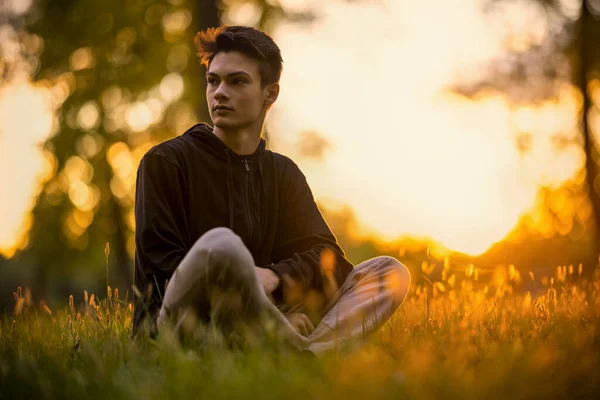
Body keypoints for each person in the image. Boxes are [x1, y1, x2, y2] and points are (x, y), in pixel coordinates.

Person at [133, 25, 411, 354]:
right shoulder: (166, 162)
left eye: (237, 81)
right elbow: (163, 275)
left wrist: (276, 278)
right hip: (179, 332)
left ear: (270, 93)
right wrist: (259, 299)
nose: (219, 92)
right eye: (213, 80)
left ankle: (302, 354)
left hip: (262, 322)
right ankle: (292, 349)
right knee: (222, 247)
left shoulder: (283, 174)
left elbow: (330, 260)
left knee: (388, 272)